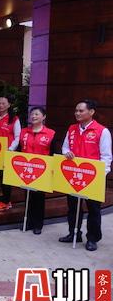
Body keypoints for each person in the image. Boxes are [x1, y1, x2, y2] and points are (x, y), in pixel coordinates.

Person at [59, 99, 112, 251]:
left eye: (81, 111)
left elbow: (106, 157)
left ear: (91, 112)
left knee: (93, 209)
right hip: (73, 176)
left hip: (93, 177)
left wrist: (100, 176)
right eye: (76, 110)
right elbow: (65, 148)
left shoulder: (102, 131)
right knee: (73, 207)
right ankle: (74, 234)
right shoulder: (72, 129)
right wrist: (66, 153)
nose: (77, 113)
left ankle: (92, 238)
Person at [19, 107, 56, 235]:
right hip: (26, 169)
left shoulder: (50, 133)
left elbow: (53, 153)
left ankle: (38, 224)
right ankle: (28, 221)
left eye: (37, 114)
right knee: (28, 196)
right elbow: (19, 150)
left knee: (39, 197)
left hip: (42, 170)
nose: (33, 116)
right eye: (32, 114)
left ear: (43, 117)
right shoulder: (24, 132)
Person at [0, 95, 21, 211]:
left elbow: (18, 137)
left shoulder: (14, 119)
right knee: (1, 176)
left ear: (9, 105)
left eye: (3, 103)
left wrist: (10, 149)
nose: (1, 105)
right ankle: (5, 200)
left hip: (8, 154)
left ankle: (7, 202)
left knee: (6, 178)